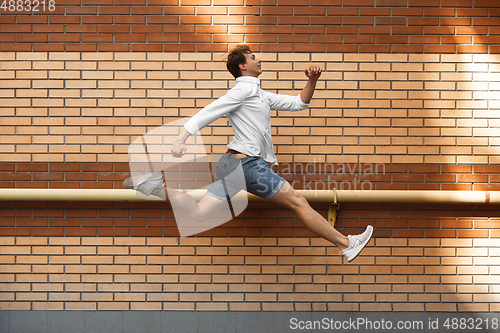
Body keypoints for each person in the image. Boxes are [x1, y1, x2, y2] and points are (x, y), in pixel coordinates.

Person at [124, 45, 372, 262]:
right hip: (247, 165)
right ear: (243, 66)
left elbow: (299, 103)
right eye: (254, 57)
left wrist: (313, 80)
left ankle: (151, 187)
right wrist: (181, 138)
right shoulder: (243, 91)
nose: (259, 59)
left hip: (232, 163)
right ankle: (346, 244)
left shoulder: (259, 94)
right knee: (298, 201)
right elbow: (210, 110)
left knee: (200, 212)